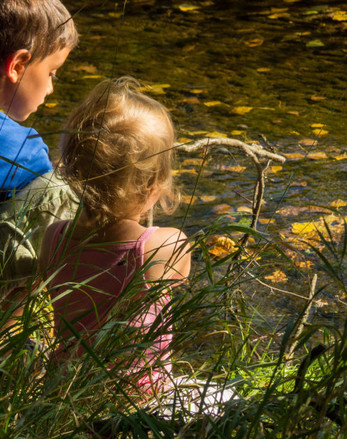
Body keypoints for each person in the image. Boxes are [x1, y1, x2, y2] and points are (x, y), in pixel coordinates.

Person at [38, 76, 233, 417]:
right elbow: (178, 274)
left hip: (66, 387)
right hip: (138, 398)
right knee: (229, 400)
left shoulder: (53, 238)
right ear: (151, 187)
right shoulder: (164, 244)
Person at [0, 0, 78, 333]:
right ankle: (12, 335)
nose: (50, 89)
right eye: (50, 73)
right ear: (17, 65)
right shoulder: (23, 148)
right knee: (55, 194)